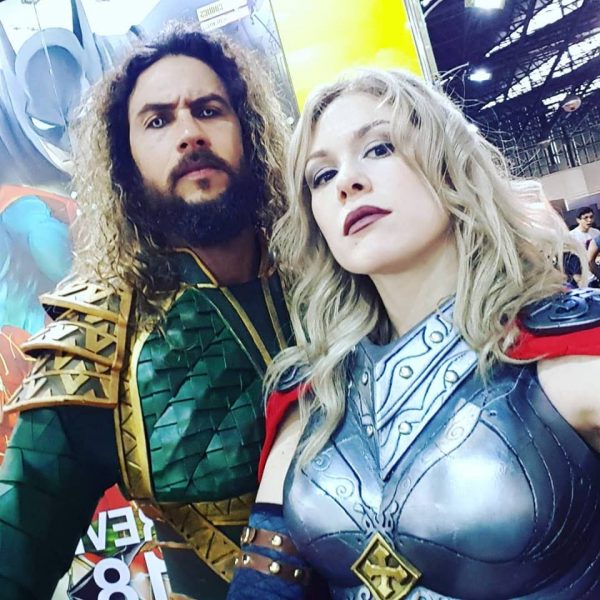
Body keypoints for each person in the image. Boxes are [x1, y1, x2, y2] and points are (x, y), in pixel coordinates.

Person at [227, 69, 600, 600]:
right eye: (322, 176)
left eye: (379, 148)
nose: (347, 182)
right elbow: (262, 586)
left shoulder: (569, 353)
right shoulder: (313, 396)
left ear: (449, 165)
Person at [0, 24, 292, 599]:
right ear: (126, 163)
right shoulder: (97, 339)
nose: (189, 133)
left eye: (208, 110)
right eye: (157, 121)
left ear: (248, 131)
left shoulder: (337, 279)